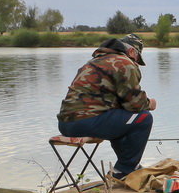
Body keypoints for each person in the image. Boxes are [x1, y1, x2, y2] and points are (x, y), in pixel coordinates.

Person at [57, 33, 157, 180]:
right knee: (144, 118)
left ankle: (126, 166)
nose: (136, 62)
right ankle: (124, 169)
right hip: (88, 122)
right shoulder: (125, 63)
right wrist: (150, 104)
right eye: (137, 58)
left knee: (122, 117)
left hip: (66, 125)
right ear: (131, 52)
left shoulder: (94, 62)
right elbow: (135, 104)